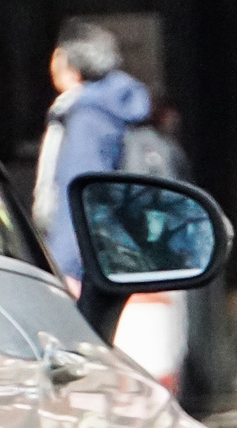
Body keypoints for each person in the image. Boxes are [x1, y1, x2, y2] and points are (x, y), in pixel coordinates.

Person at [32, 19, 152, 284]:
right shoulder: (107, 111)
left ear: (73, 70)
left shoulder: (87, 118)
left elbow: (78, 193)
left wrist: (65, 267)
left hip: (82, 265)